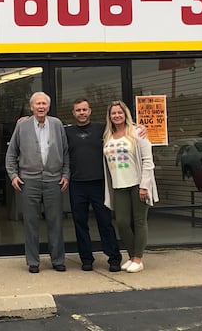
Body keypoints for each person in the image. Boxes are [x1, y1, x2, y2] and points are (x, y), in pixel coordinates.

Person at [5, 92, 70, 273]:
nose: (41, 107)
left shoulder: (57, 125)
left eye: (44, 104)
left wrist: (66, 174)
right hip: (29, 181)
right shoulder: (23, 126)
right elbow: (11, 154)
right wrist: (13, 175)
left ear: (48, 107)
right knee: (31, 223)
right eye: (37, 104)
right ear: (32, 107)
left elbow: (65, 152)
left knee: (55, 222)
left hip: (53, 180)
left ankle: (58, 259)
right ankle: (33, 261)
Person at [65, 98, 124, 272]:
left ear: (90, 111)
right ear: (74, 113)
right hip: (77, 184)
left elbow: (123, 126)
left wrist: (139, 128)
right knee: (80, 223)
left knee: (105, 222)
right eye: (78, 110)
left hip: (99, 183)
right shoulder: (67, 132)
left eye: (84, 109)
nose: (81, 113)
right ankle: (86, 259)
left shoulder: (102, 128)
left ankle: (114, 258)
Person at [102, 100, 158, 274]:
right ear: (109, 116)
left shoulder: (137, 132)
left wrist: (144, 185)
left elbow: (148, 161)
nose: (117, 116)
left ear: (125, 114)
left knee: (140, 221)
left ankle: (138, 258)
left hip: (137, 184)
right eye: (113, 113)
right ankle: (132, 255)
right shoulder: (108, 135)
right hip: (119, 185)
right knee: (122, 222)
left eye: (120, 112)